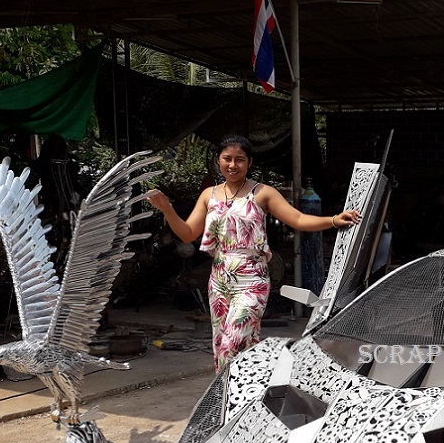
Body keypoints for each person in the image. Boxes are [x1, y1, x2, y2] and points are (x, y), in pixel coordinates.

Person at [148, 134, 360, 371]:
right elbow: (187, 234)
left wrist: (333, 220)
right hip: (219, 282)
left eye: (239, 159)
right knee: (224, 348)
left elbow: (298, 219)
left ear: (249, 162)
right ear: (218, 161)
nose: (232, 165)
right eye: (226, 158)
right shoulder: (209, 195)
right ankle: (236, 399)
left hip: (252, 281)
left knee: (231, 343)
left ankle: (230, 394)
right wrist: (167, 209)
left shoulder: (262, 193)